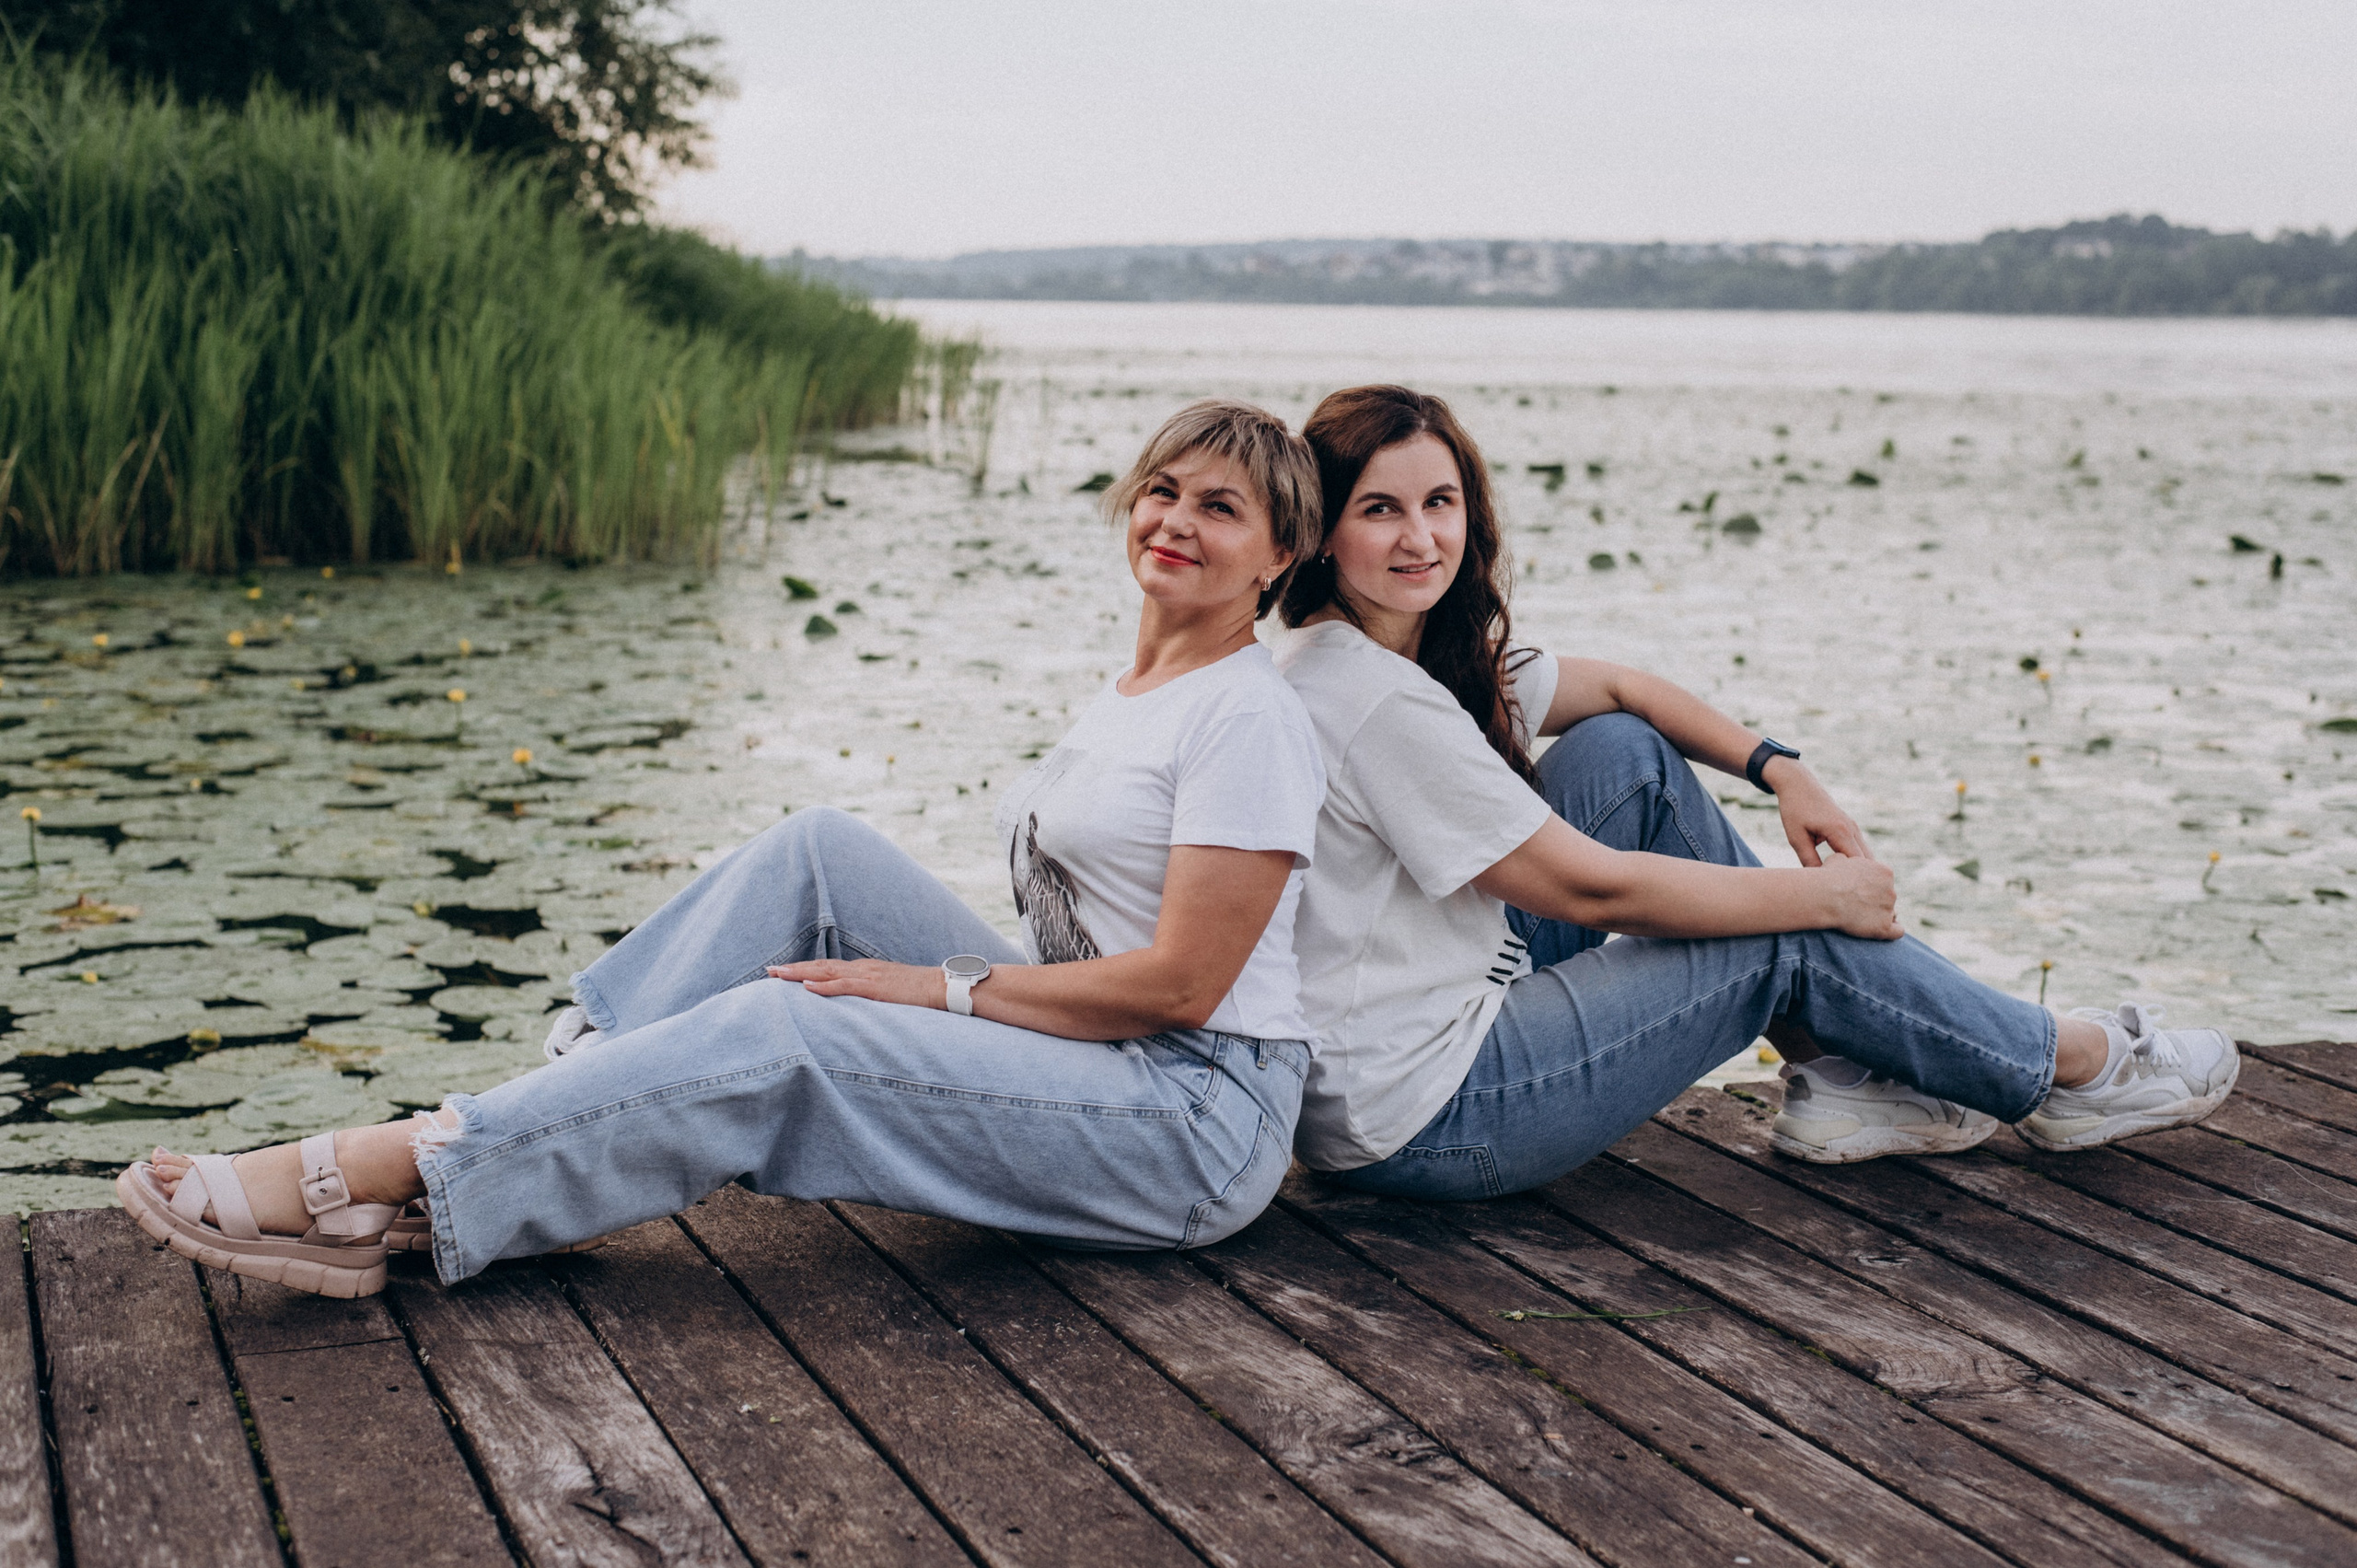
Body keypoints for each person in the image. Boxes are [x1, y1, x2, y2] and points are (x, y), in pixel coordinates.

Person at [120, 399, 1329, 1297]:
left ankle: (387, 1167)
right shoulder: (1140, 688)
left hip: (1192, 1120)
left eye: (1221, 508)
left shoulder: (1248, 714)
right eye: (1165, 488)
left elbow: (1184, 985)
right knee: (818, 849)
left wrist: (937, 988)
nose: (1176, 519)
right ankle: (534, 1109)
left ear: (1277, 558)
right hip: (1120, 1060)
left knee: (788, 1027)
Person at [1271, 383, 2238, 1201]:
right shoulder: (1373, 700)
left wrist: (1782, 768)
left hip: (1430, 1021)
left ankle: (1834, 1068)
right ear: (1322, 533)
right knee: (1769, 929)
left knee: (1623, 751)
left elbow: (1618, 691)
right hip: (1428, 1112)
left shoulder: (1392, 655)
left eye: (1439, 501)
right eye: (1379, 509)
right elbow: (1591, 892)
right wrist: (1815, 899)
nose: (1420, 536)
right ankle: (2065, 1065)